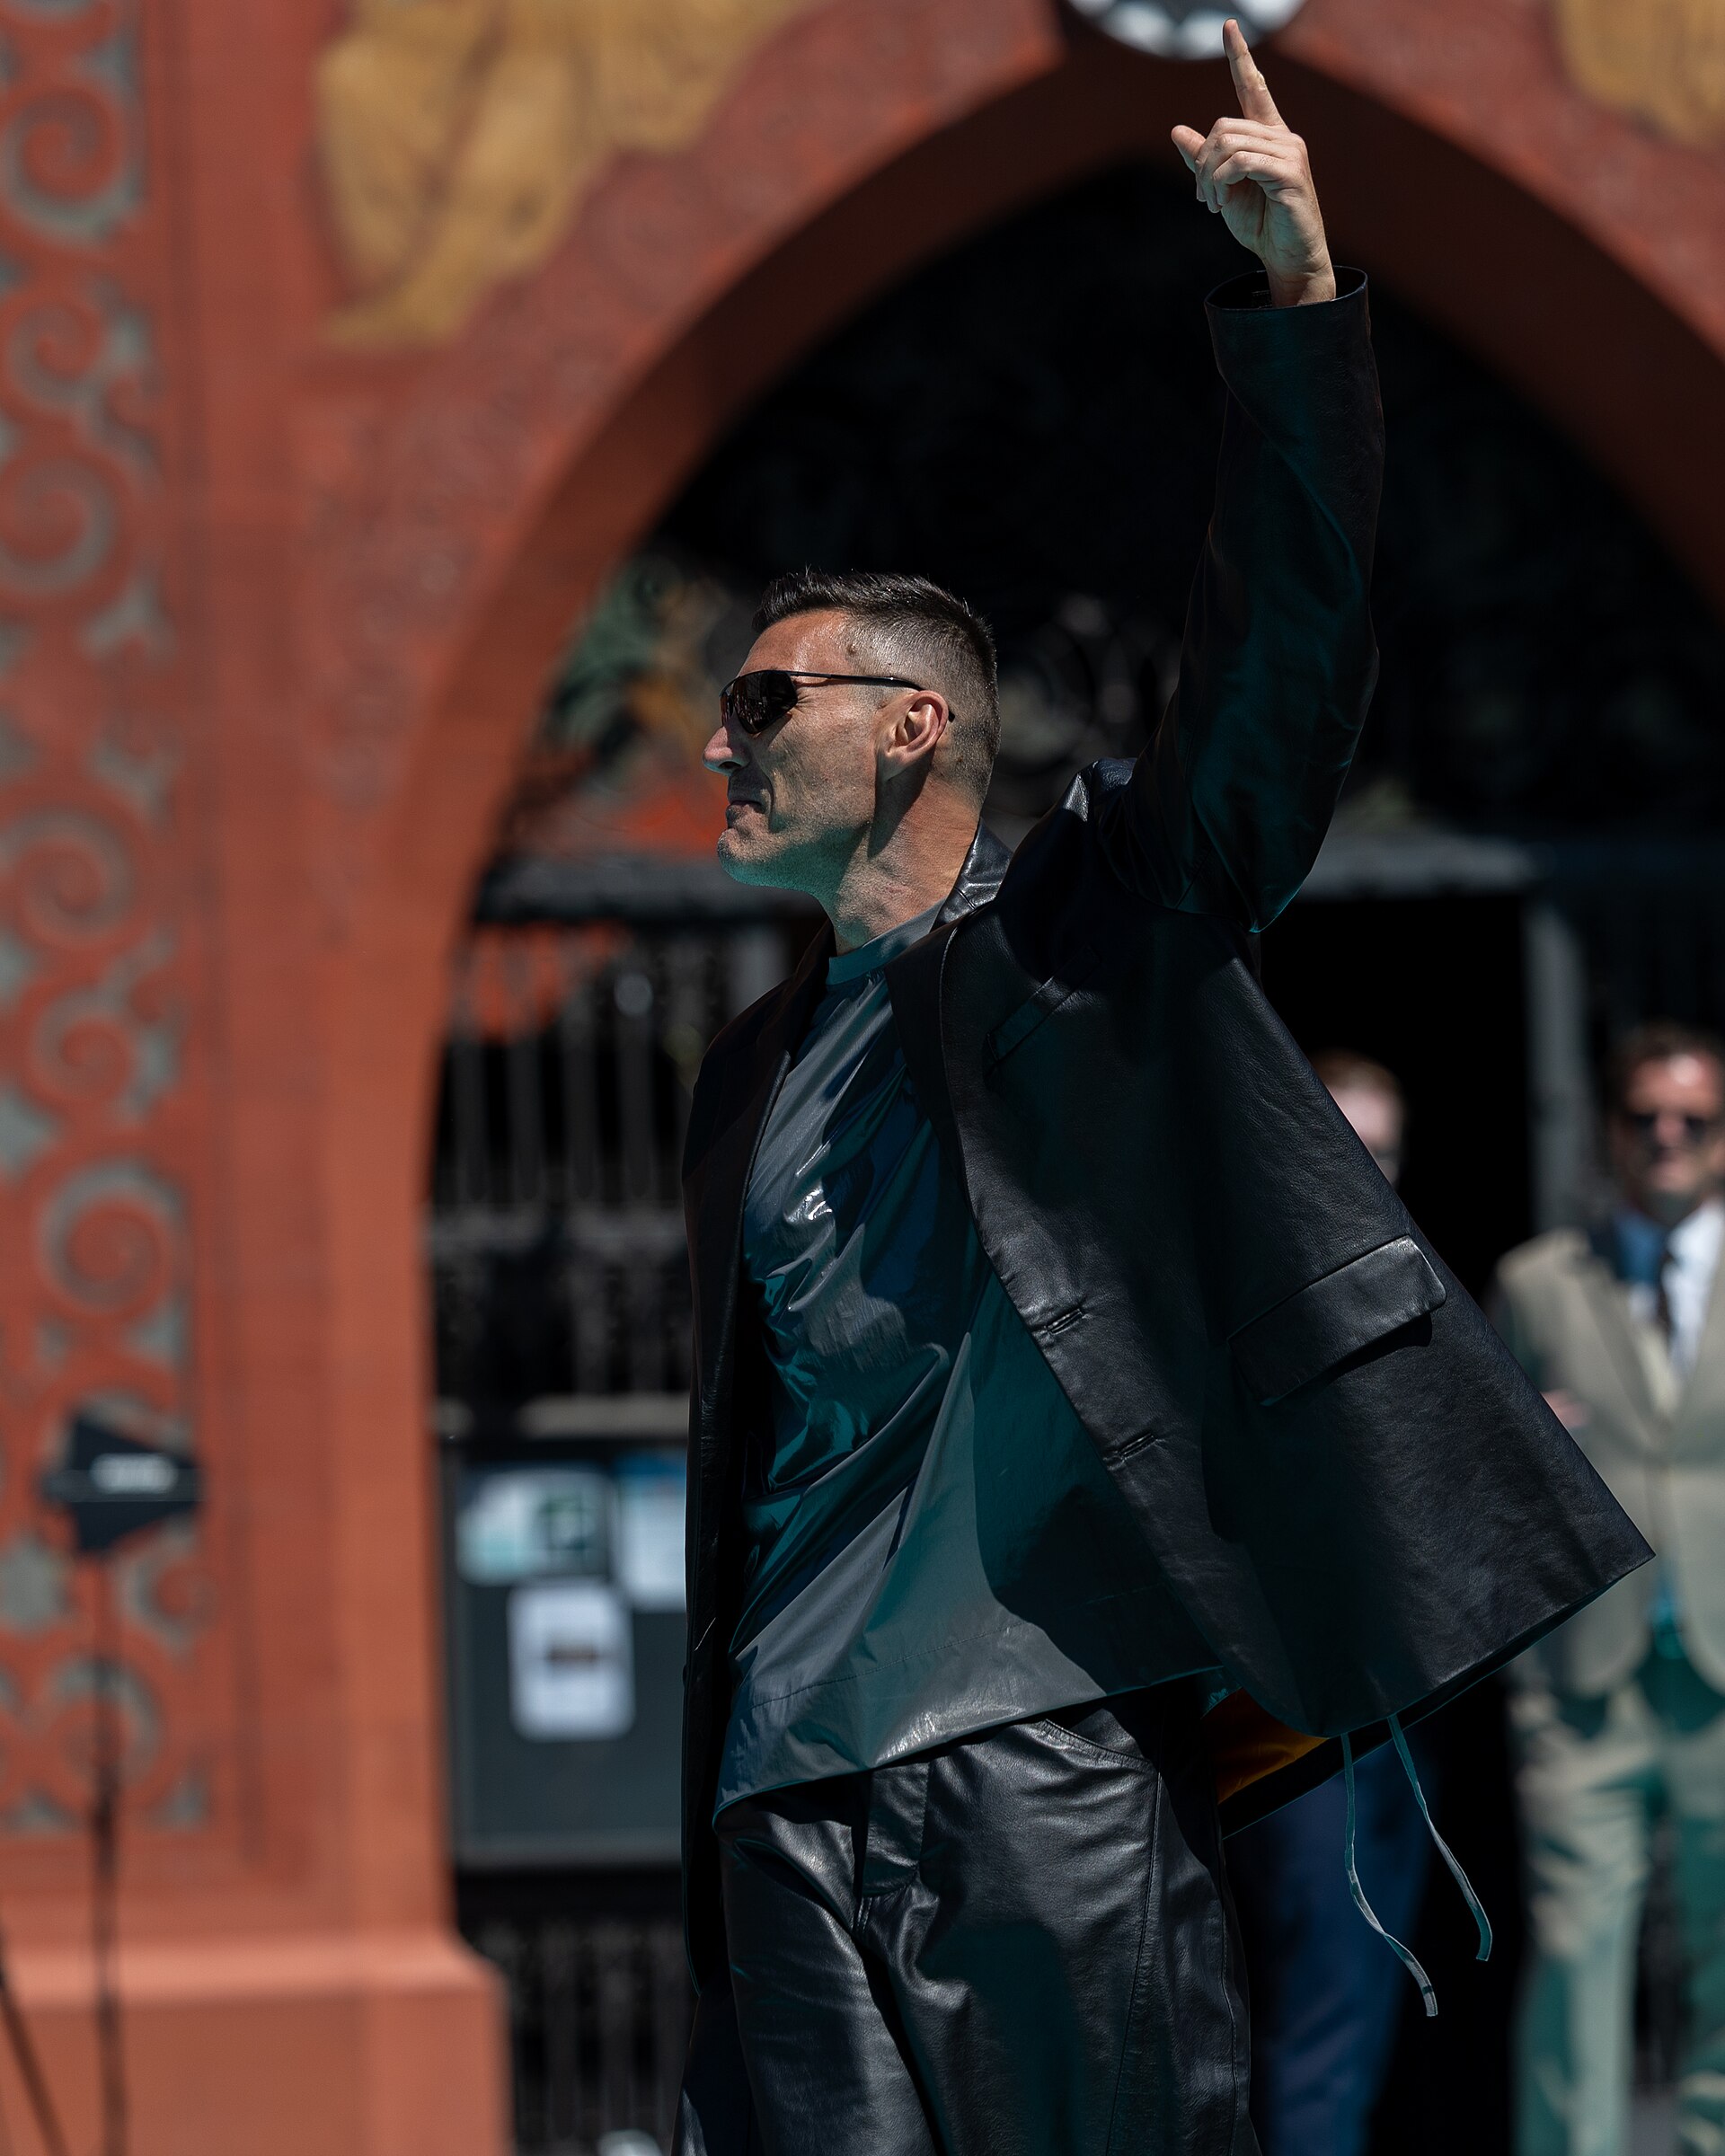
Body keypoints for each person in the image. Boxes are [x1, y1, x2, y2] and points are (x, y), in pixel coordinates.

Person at [673, 27, 1647, 2155]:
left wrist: (1295, 303)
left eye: (763, 700)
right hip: (779, 1780)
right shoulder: (746, 1073)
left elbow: (1279, 665)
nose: (717, 742)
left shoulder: (1090, 934)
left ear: (915, 726)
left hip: (1043, 1751)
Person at [1494, 1021, 1725, 2156]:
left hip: (1722, 1673)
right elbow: (1476, 1478)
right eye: (1646, 1118)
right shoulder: (1538, 1282)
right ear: (1610, 1131)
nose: (1668, 1138)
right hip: (1588, 1680)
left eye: (1694, 1120)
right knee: (1579, 1956)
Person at [1227, 1052, 1440, 2156]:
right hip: (1294, 1725)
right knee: (1309, 2019)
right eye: (1341, 1140)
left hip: (1401, 1725)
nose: (1363, 1169)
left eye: (1383, 1149)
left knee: (1355, 2015)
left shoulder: (1420, 1294)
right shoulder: (1239, 1297)